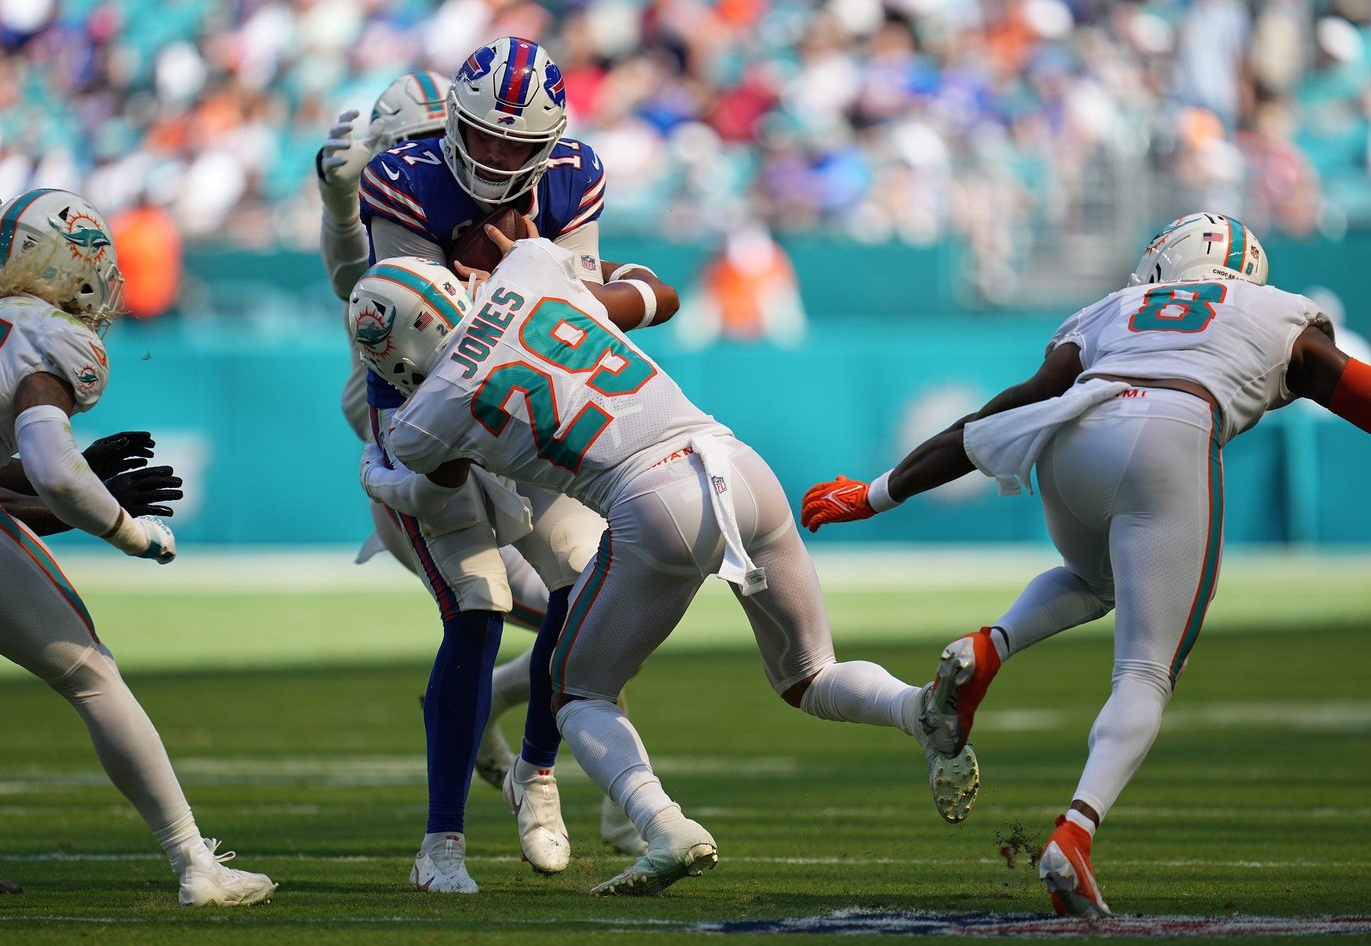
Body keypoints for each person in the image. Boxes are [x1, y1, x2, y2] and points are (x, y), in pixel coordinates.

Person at [348, 228, 981, 897]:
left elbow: (427, 488)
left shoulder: (424, 419)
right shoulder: (526, 270)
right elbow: (586, 266)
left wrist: (375, 475)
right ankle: (917, 710)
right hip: (735, 463)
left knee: (575, 694)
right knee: (809, 674)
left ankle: (662, 826)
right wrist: (531, 263)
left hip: (653, 502)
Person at [800, 212, 1371, 918]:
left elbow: (1013, 405)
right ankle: (1075, 832)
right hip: (1173, 430)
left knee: (1094, 581)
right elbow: (1344, 384)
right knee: (1145, 670)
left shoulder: (1112, 307)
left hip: (1069, 438)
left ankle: (991, 645)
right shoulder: (1276, 309)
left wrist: (880, 491)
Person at [0, 186, 276, 907]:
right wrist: (133, 533)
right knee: (92, 675)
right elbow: (56, 470)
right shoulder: (51, 334)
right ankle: (196, 863)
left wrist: (35, 496)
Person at [317, 44, 644, 893]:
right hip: (425, 411)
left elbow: (572, 323)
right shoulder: (402, 181)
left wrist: (515, 278)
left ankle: (539, 776)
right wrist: (521, 278)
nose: (494, 160)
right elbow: (408, 329)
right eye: (479, 140)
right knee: (479, 603)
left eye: (514, 145)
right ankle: (441, 846)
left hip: (524, 398)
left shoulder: (574, 172)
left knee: (588, 581)